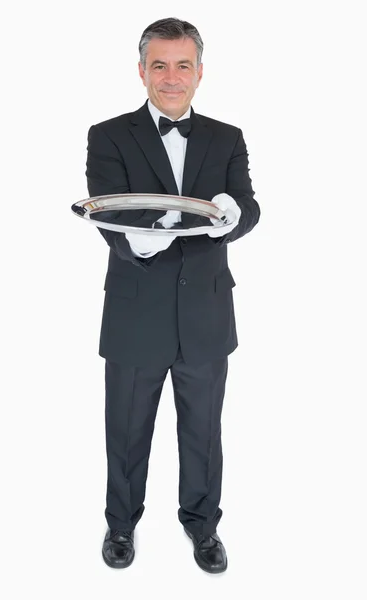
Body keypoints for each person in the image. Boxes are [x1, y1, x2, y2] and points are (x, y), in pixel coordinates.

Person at [85, 17, 260, 574]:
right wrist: (139, 237)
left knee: (204, 433)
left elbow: (247, 206)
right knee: (127, 431)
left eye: (183, 65)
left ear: (200, 73)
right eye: (159, 65)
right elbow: (106, 209)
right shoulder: (108, 134)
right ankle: (120, 525)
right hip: (136, 313)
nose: (171, 77)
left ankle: (203, 527)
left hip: (207, 314)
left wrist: (233, 220)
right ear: (142, 71)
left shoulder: (226, 137)